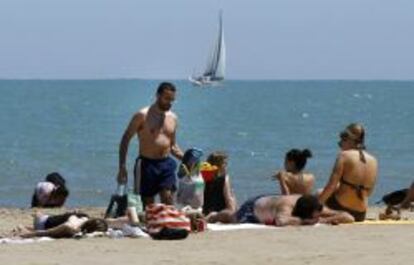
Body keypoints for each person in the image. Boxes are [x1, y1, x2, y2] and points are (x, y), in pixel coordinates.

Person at [117, 82, 184, 209]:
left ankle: (168, 226)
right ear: (157, 95)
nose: (169, 103)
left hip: (166, 164)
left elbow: (173, 146)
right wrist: (122, 167)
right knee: (148, 205)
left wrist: (187, 160)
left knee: (168, 198)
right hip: (146, 164)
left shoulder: (173, 118)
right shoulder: (142, 115)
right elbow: (125, 140)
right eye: (167, 99)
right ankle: (154, 226)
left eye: (172, 100)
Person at [319, 123, 378, 222]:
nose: (340, 142)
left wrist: (316, 206)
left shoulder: (344, 156)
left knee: (319, 193)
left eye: (343, 138)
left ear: (351, 139)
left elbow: (331, 186)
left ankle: (325, 218)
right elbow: (369, 192)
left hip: (341, 207)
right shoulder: (373, 160)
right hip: (360, 214)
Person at [207, 194, 354, 226]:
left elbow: (348, 217)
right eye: (314, 216)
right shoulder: (287, 207)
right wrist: (306, 221)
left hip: (270, 201)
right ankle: (214, 216)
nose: (316, 218)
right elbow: (281, 221)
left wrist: (325, 219)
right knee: (232, 218)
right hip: (253, 208)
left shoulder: (315, 205)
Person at [17, 211, 108, 238]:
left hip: (55, 218)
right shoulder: (72, 226)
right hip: (42, 222)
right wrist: (29, 234)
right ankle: (22, 226)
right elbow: (47, 232)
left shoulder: (85, 219)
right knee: (38, 214)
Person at [202, 151, 237, 221]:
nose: (226, 165)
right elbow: (228, 198)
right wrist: (233, 211)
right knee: (232, 195)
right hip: (221, 212)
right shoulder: (224, 179)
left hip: (206, 211)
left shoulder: (204, 178)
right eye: (224, 163)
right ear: (218, 165)